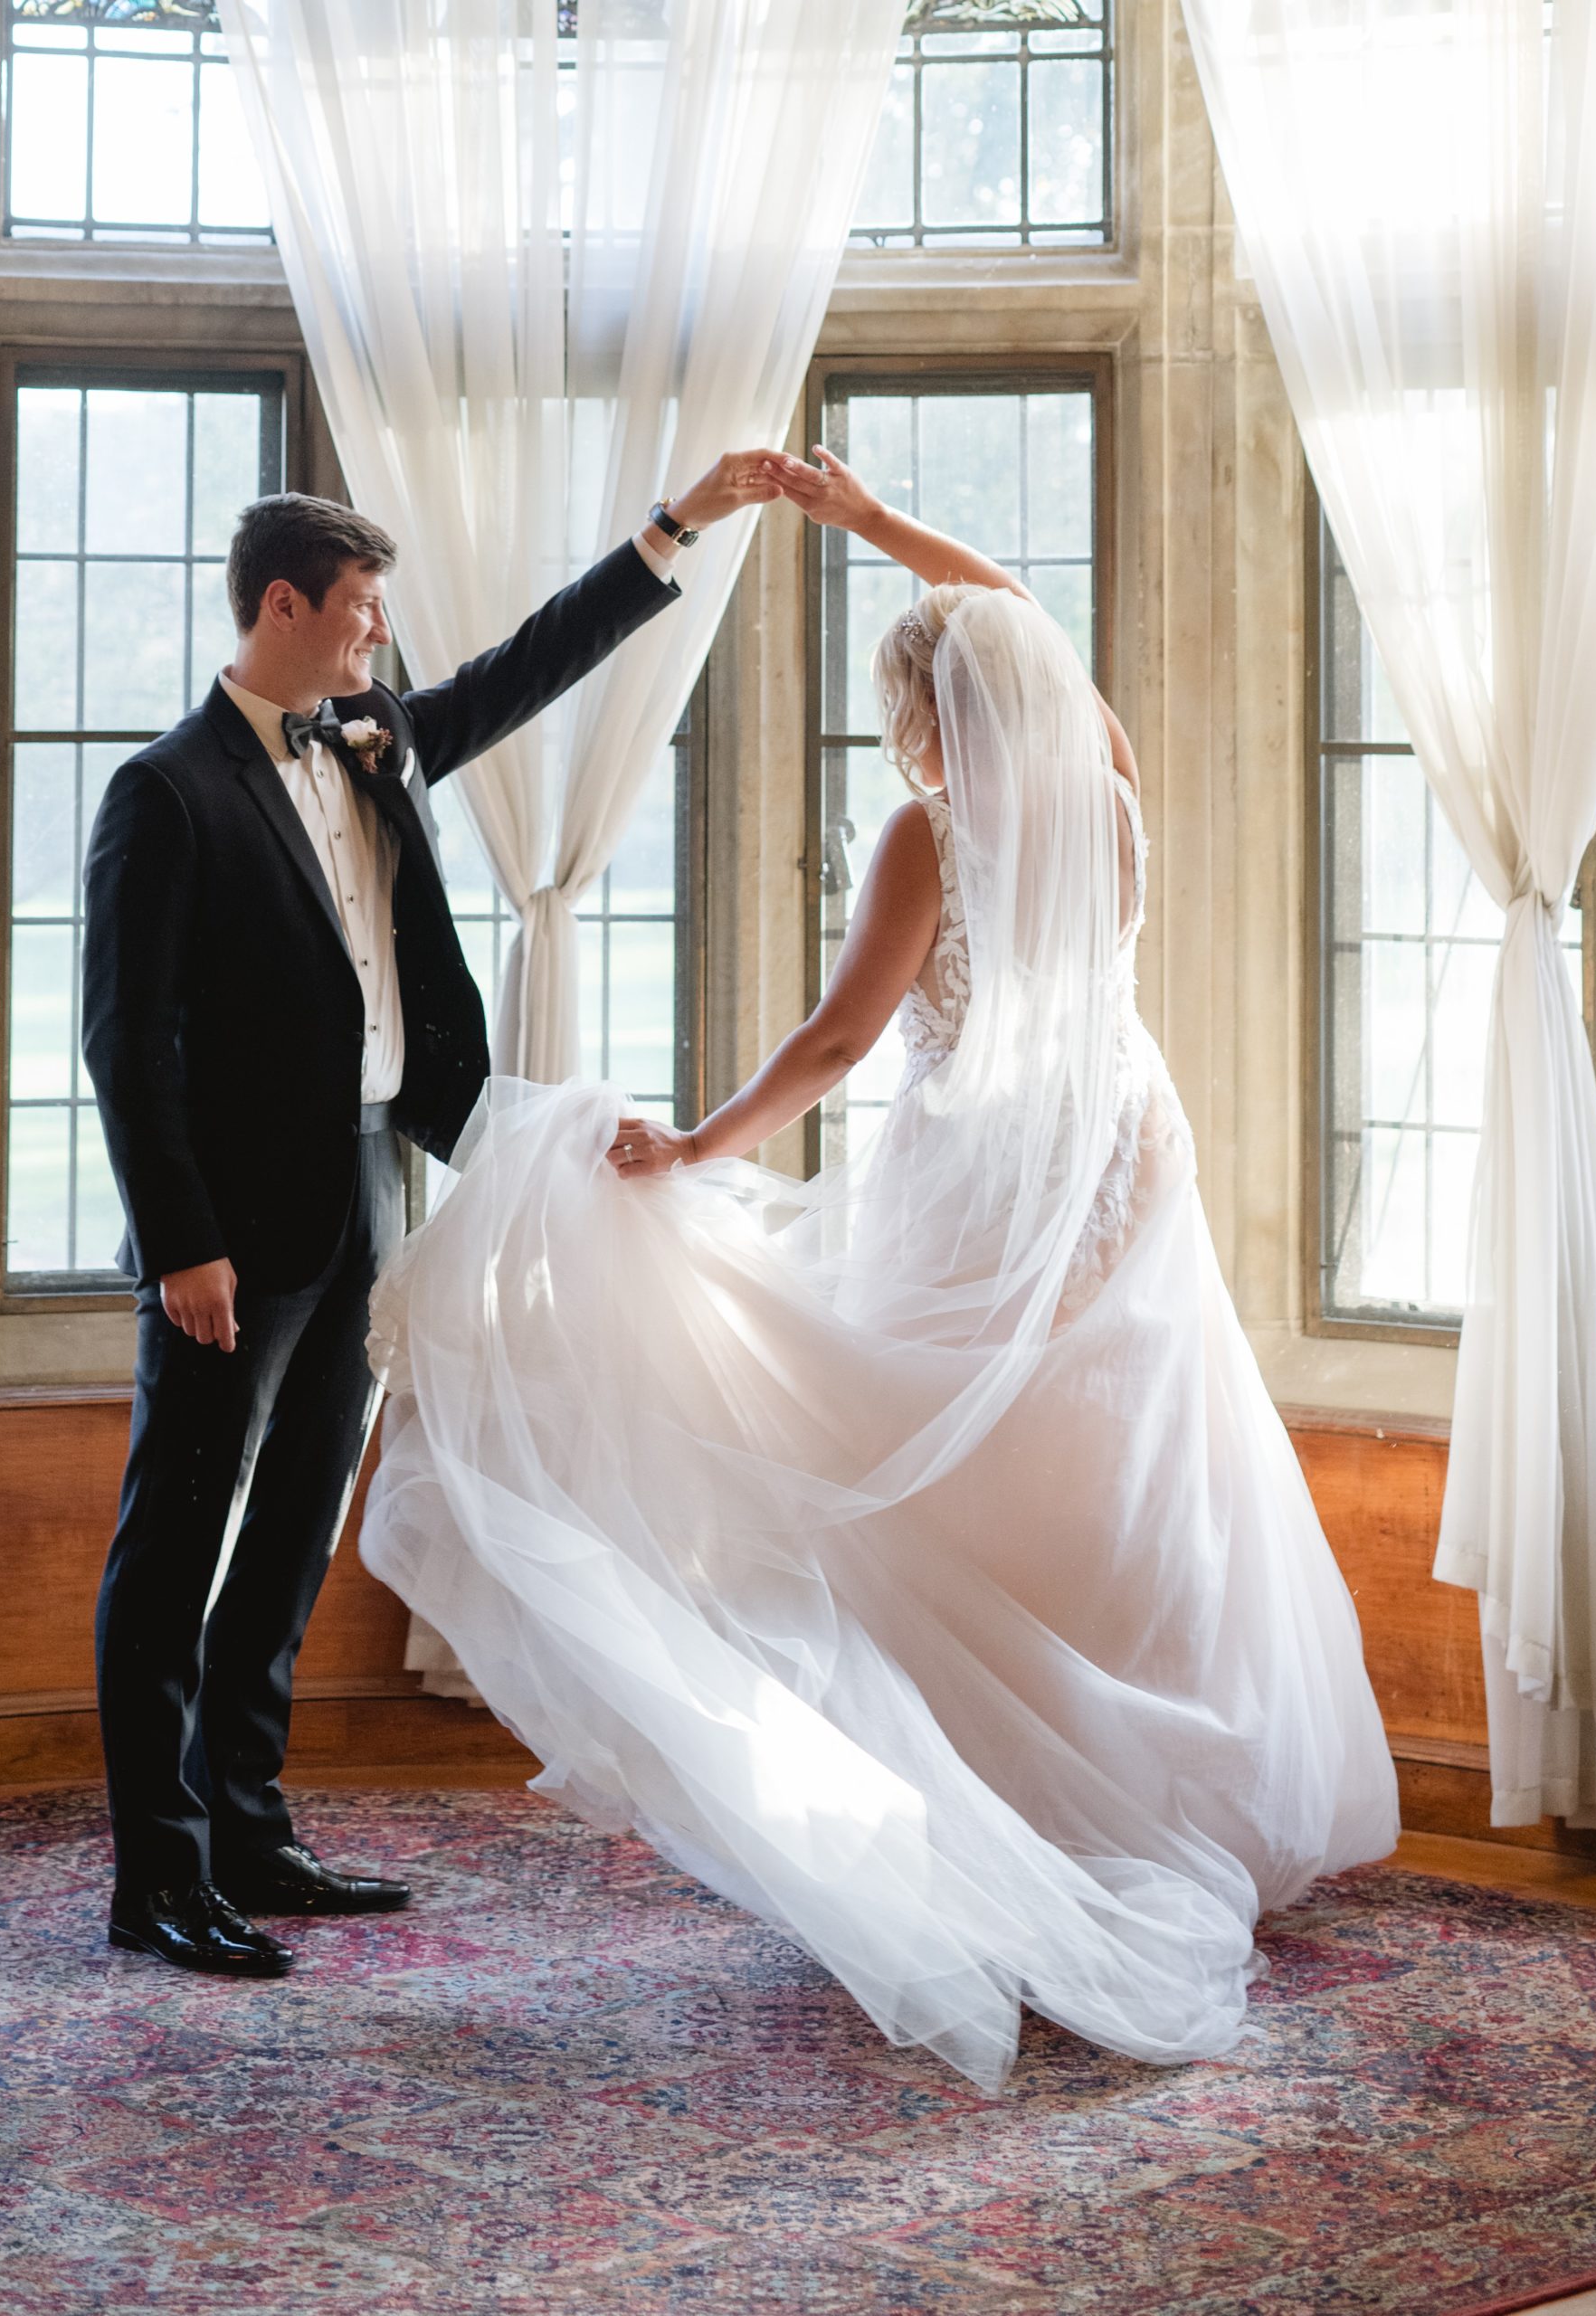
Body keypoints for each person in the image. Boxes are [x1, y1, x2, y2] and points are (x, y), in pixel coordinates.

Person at [360, 446, 1399, 2086]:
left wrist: (699, 1147)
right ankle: (1132, 1804)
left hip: (984, 1190)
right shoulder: (1108, 789)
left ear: (924, 711)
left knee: (922, 1499)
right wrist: (881, 528)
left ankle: (1001, 1839)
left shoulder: (931, 833)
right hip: (1122, 1168)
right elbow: (1012, 616)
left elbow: (842, 1036)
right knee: (1126, 1489)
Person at [80, 460, 781, 1979]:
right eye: (363, 611)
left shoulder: (378, 737)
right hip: (229, 1238)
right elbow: (125, 1043)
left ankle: (249, 1832)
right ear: (287, 604)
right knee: (178, 1535)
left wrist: (683, 523)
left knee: (293, 1528)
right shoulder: (165, 792)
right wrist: (181, 1238)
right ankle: (159, 1879)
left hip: (372, 1198)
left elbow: (526, 667)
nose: (379, 638)